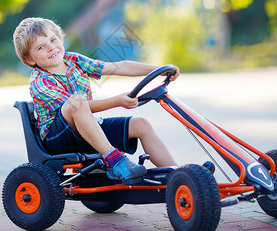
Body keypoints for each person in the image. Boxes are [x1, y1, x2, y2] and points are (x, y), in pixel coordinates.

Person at [13, 17, 179, 180]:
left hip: (86, 130)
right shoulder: (40, 80)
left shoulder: (74, 60)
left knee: (141, 124)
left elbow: (120, 66)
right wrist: (117, 101)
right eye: (41, 47)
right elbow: (78, 107)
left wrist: (160, 69)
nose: (51, 47)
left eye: (53, 39)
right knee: (76, 101)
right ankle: (115, 160)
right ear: (29, 59)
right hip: (58, 140)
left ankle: (177, 175)